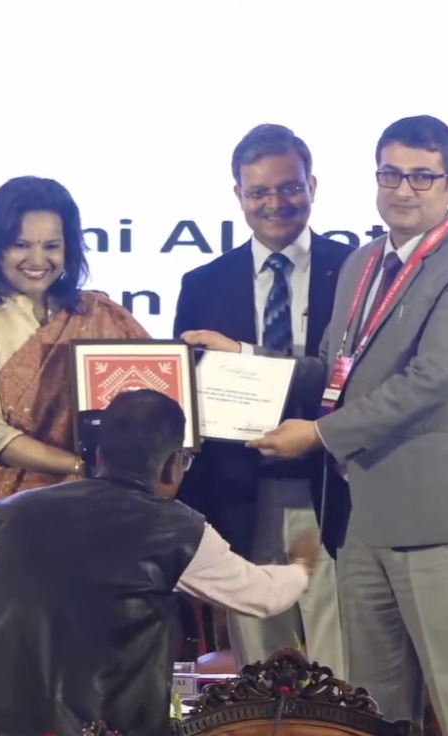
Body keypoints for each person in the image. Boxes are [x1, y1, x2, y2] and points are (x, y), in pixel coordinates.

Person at [184, 115, 448, 734]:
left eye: (421, 176)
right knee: (373, 708)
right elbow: (330, 371)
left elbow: (426, 383)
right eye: (391, 174)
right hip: (360, 520)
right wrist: (244, 357)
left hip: (436, 520)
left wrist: (318, 435)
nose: (403, 189)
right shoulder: (363, 264)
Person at [0, 389, 319, 736]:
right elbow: (262, 596)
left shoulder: (3, 514)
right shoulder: (175, 528)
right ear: (173, 466)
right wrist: (301, 566)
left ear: (99, 455)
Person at [0, 176, 150, 702]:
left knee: (82, 661)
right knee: (0, 660)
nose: (38, 259)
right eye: (21, 244)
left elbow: (153, 390)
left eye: (52, 245)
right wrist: (79, 468)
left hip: (91, 516)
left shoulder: (96, 315)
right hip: (2, 515)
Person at [172, 123, 351, 674]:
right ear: (238, 195)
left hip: (334, 491)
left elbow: (361, 377)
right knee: (259, 672)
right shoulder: (202, 283)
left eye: (289, 187)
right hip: (240, 496)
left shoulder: (355, 270)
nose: (276, 203)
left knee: (343, 670)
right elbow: (187, 400)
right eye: (259, 192)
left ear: (312, 185)